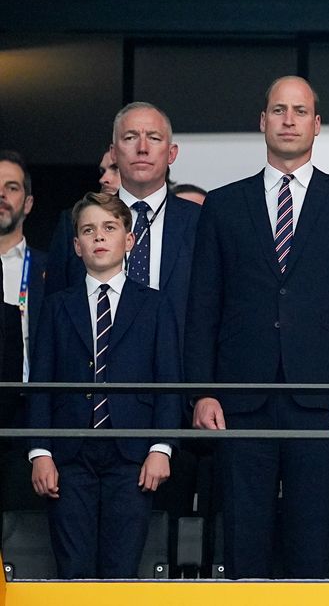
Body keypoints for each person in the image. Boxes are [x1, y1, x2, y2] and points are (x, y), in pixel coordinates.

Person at [186, 76, 329, 579]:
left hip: (322, 395)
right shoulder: (224, 204)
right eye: (279, 110)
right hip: (239, 394)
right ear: (263, 121)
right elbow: (203, 306)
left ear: (317, 125)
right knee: (242, 541)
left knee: (311, 540)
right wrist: (202, 392)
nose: (289, 120)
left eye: (300, 111)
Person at [26, 191, 181, 579]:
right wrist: (40, 451)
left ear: (128, 240)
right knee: (72, 568)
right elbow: (41, 381)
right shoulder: (57, 305)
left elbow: (169, 382)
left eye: (109, 228)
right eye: (89, 230)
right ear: (76, 245)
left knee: (121, 568)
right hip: (69, 456)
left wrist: (161, 448)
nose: (99, 237)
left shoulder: (156, 305)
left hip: (131, 456)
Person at [46, 103, 201, 351]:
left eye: (153, 138)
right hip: (92, 378)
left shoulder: (202, 222)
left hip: (178, 378)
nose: (142, 148)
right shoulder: (73, 223)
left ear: (171, 153)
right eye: (130, 138)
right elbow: (53, 319)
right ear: (114, 153)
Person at [0, 151, 48, 381]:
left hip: (29, 404)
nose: (1, 194)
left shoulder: (49, 269)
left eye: (11, 188)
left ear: (28, 203)